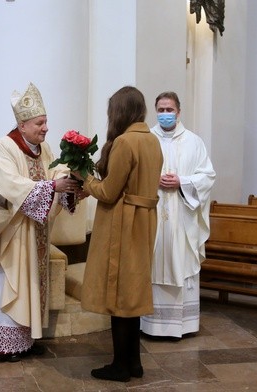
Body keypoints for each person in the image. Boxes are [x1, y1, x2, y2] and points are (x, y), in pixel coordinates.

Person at [0, 83, 80, 362]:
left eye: (46, 122)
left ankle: (24, 340)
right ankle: (2, 344)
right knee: (7, 282)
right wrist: (53, 185)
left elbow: (56, 171)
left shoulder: (44, 148)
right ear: (23, 124)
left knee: (29, 282)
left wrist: (74, 175)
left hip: (34, 232)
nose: (45, 128)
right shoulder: (3, 147)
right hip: (8, 231)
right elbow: (10, 186)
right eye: (40, 123)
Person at [77, 86, 163, 382]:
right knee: (132, 295)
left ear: (120, 111)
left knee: (118, 297)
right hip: (144, 222)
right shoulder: (152, 140)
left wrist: (83, 177)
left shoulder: (125, 142)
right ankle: (134, 363)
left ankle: (120, 366)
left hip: (123, 224)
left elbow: (109, 192)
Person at [140, 91, 215, 340]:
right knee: (153, 261)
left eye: (169, 110)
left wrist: (182, 182)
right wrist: (154, 180)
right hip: (154, 215)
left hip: (183, 217)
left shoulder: (194, 141)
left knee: (182, 260)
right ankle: (150, 324)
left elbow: (207, 177)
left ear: (179, 112)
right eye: (160, 110)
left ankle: (183, 325)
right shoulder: (146, 139)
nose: (165, 114)